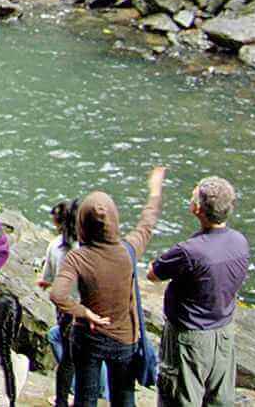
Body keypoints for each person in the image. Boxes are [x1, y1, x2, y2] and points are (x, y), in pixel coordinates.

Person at [51, 166, 167, 407]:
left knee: (86, 398)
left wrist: (84, 312)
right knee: (124, 398)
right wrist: (155, 190)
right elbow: (148, 221)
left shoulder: (78, 257)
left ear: (82, 223)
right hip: (124, 339)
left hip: (88, 338)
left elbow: (57, 294)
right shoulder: (129, 250)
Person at [148, 177, 250, 407]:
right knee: (220, 400)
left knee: (180, 399)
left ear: (197, 209)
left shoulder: (189, 251)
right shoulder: (240, 242)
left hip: (189, 338)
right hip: (223, 333)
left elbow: (153, 273)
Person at [40, 199, 103, 407]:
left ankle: (61, 400)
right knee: (91, 358)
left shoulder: (56, 246)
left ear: (60, 223)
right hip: (91, 308)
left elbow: (48, 277)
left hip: (67, 311)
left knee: (68, 359)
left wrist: (46, 283)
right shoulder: (92, 246)